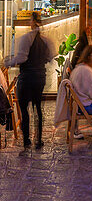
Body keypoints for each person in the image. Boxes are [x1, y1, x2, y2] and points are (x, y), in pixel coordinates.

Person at [4, 12, 54, 149]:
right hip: (40, 77)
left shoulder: (26, 38)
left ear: (32, 22)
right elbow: (50, 57)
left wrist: (8, 62)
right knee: (38, 108)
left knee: (24, 108)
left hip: (26, 77)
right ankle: (39, 139)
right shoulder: (46, 40)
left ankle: (26, 140)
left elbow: (21, 59)